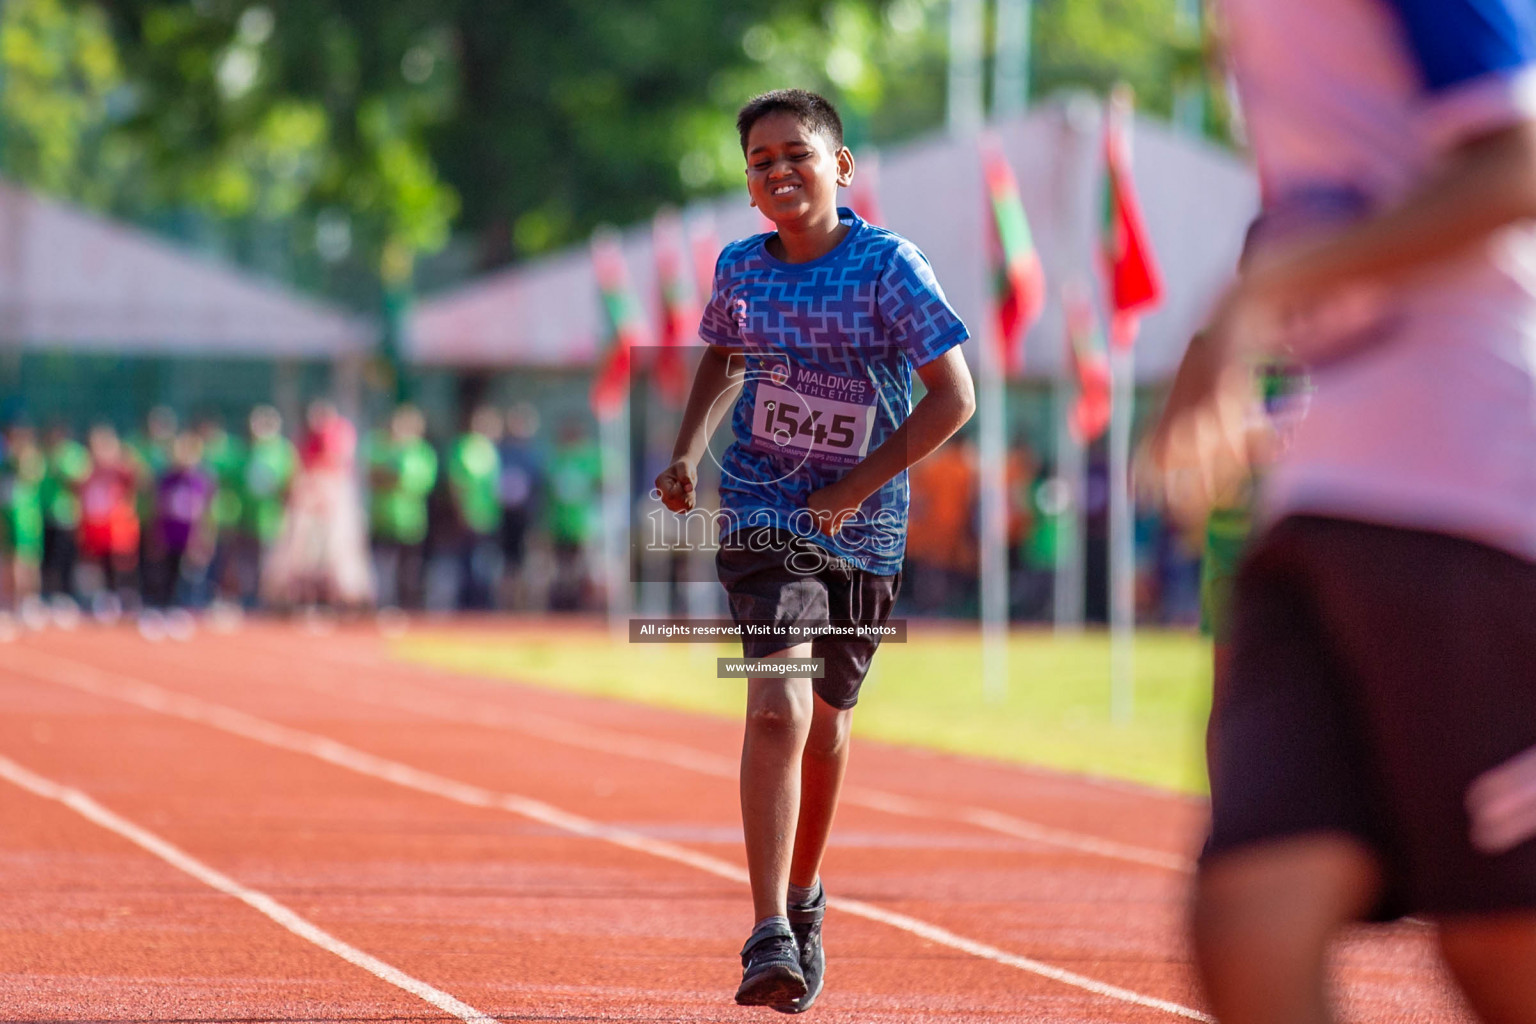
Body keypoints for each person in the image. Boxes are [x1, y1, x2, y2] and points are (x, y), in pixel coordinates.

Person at [1146, 2, 1536, 1021]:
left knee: (1502, 949)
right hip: (1325, 493)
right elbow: (1347, 186)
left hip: (1478, 489)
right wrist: (1241, 310)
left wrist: (1262, 290)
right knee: (1246, 916)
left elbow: (1518, 164)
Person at [656, 89, 974, 1012]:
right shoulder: (741, 268)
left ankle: (804, 898)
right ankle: (766, 933)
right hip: (764, 511)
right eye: (760, 161)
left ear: (841, 166)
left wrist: (854, 487)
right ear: (749, 186)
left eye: (796, 152)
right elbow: (721, 354)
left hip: (863, 529)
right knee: (775, 708)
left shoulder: (888, 267)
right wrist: (685, 452)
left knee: (830, 723)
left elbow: (954, 399)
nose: (778, 170)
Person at [364, 404, 438, 611]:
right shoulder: (381, 447)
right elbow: (373, 476)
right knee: (381, 566)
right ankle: (381, 604)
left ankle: (406, 606)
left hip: (410, 520)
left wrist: (391, 478)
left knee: (408, 569)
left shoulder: (422, 453)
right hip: (383, 517)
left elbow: (416, 483)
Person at [446, 406, 503, 610]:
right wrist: (461, 510)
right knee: (467, 560)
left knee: (484, 560)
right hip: (470, 513)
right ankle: (467, 602)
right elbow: (458, 482)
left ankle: (482, 600)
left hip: (487, 515)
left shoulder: (490, 450)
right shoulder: (465, 447)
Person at [497, 403, 543, 610]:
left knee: (527, 563)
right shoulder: (500, 452)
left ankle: (524, 605)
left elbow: (539, 485)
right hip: (503, 515)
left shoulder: (535, 454)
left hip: (526, 516)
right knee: (506, 562)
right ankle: (505, 604)